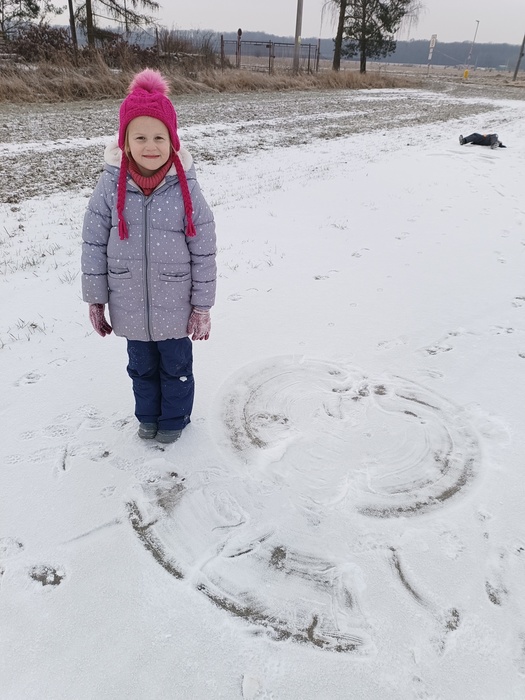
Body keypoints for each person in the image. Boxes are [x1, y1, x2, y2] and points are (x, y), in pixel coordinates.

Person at [81, 69, 217, 444]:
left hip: (176, 305)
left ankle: (173, 421)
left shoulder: (185, 188)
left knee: (176, 368)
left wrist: (202, 306)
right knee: (140, 369)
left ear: (172, 141)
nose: (150, 146)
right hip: (129, 304)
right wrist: (96, 299)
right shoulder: (110, 186)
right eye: (139, 137)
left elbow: (204, 249)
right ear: (124, 142)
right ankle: (148, 418)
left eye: (159, 137)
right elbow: (93, 242)